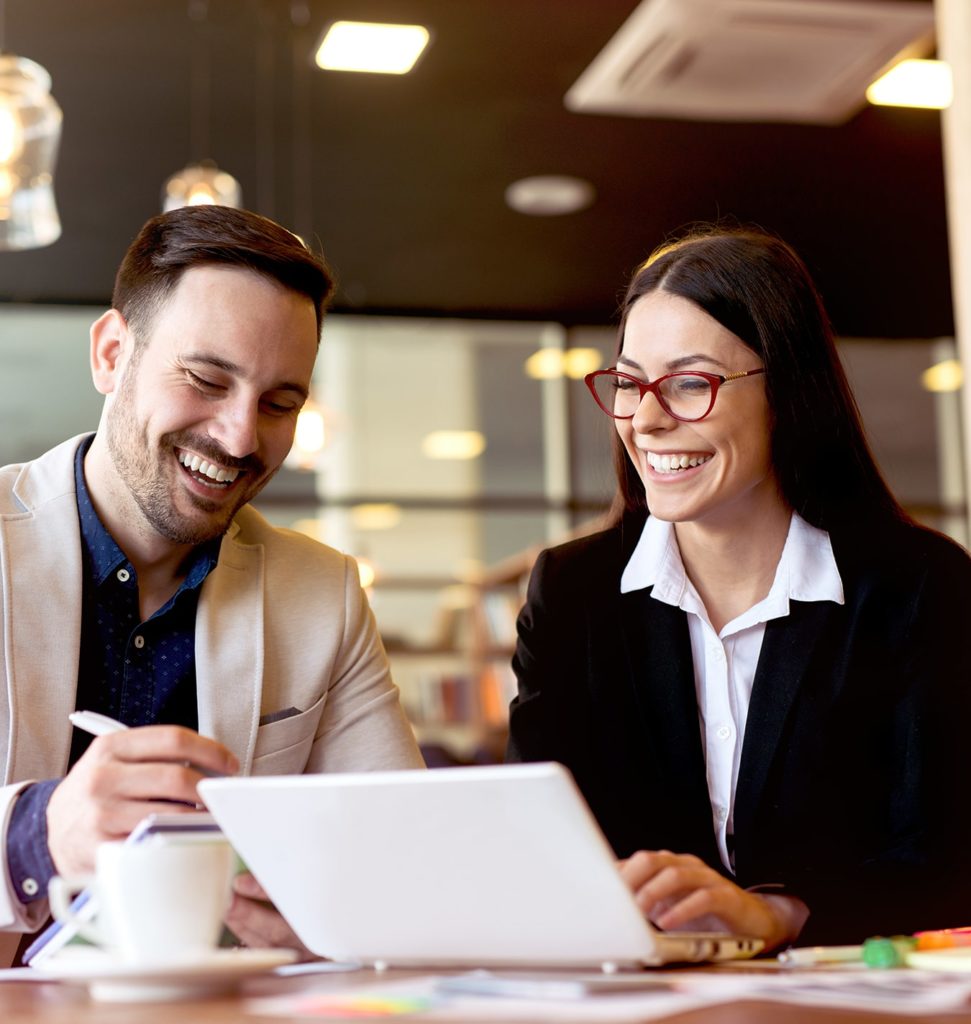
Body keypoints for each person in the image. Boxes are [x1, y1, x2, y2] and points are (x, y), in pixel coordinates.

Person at [507, 224, 971, 951]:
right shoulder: (574, 595)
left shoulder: (917, 586)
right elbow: (538, 845)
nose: (647, 420)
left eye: (689, 383)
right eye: (629, 383)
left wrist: (778, 914)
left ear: (787, 389)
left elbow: (948, 857)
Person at [0, 206, 423, 967]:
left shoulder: (321, 595)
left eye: (280, 404)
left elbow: (401, 853)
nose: (238, 437)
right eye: (205, 379)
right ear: (109, 353)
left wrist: (336, 929)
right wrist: (36, 833)